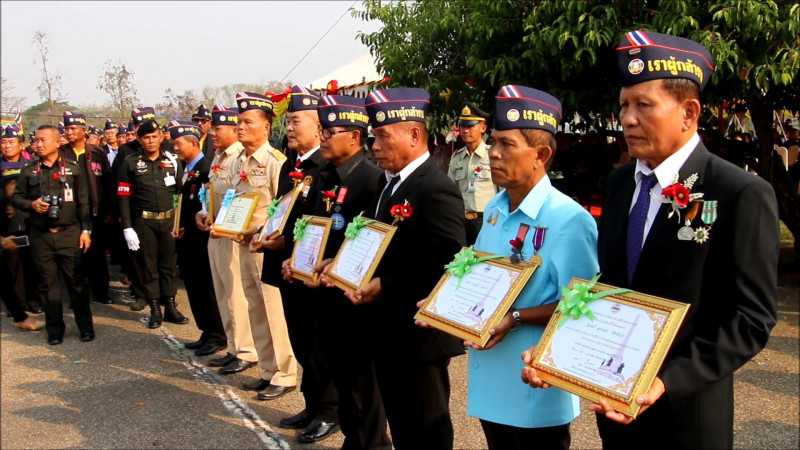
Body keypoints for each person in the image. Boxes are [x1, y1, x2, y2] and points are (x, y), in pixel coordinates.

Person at [523, 31, 779, 449]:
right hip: (614, 409)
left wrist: (664, 383)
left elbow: (749, 320)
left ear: (689, 112)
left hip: (685, 416)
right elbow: (609, 288)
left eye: (644, 105)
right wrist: (557, 355)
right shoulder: (621, 182)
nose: (627, 118)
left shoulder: (737, 192)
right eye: (624, 105)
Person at [448, 85, 598, 450]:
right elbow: (483, 272)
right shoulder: (496, 209)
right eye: (494, 142)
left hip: (532, 379)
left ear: (541, 155)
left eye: (506, 145)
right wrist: (447, 305)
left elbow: (580, 304)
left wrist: (515, 318)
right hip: (491, 373)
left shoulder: (567, 218)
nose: (493, 154)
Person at [321, 87, 467, 449]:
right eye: (374, 136)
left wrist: (386, 284)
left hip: (419, 337)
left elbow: (448, 260)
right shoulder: (389, 186)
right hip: (387, 331)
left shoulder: (435, 188)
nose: (375, 145)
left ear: (414, 135)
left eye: (384, 136)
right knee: (403, 425)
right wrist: (338, 264)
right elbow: (376, 244)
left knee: (426, 429)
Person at [290, 94, 389, 447]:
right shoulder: (325, 175)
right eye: (324, 130)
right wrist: (297, 258)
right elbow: (312, 225)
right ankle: (353, 436)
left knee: (362, 381)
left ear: (355, 137)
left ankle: (372, 441)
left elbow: (375, 243)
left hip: (351, 295)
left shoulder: (372, 180)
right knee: (338, 371)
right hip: (321, 290)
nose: (325, 136)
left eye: (332, 130)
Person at [199, 93, 297, 398]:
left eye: (247, 122)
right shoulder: (239, 160)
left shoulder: (274, 162)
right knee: (254, 307)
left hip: (264, 247)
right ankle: (267, 368)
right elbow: (232, 201)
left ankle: (285, 372)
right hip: (240, 244)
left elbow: (281, 210)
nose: (240, 127)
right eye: (239, 122)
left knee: (272, 309)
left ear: (266, 127)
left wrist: (258, 231)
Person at [254, 85, 338, 440]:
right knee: (300, 340)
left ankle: (330, 410)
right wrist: (264, 232)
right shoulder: (293, 164)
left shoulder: (326, 167)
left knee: (319, 343)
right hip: (286, 265)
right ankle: (311, 403)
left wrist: (287, 244)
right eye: (287, 121)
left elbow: (326, 227)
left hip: (309, 268)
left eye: (296, 121)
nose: (289, 128)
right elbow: (282, 212)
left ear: (319, 128)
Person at [12, 125, 95, 345]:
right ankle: (55, 329)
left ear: (58, 142)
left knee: (76, 283)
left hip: (70, 233)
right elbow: (17, 198)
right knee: (48, 286)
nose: (37, 144)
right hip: (41, 236)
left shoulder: (74, 168)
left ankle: (85, 327)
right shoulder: (29, 170)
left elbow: (84, 203)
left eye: (42, 140)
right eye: (35, 140)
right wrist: (32, 204)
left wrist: (86, 231)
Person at [194, 104, 259, 373]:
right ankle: (233, 346)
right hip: (214, 232)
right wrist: (201, 212)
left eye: (218, 128)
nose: (212, 133)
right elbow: (212, 194)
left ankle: (246, 349)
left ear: (234, 130)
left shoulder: (238, 159)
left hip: (231, 235)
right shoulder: (218, 158)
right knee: (223, 293)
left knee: (235, 294)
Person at [117, 119, 189, 328]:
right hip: (144, 221)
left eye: (154, 137)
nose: (151, 141)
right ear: (139, 140)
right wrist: (128, 228)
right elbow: (123, 197)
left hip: (168, 220)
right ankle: (155, 308)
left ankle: (170, 306)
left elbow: (179, 193)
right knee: (149, 266)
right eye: (146, 137)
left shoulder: (172, 160)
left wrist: (179, 221)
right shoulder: (130, 162)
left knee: (168, 265)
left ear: (161, 138)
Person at [168, 120, 227, 357]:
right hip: (188, 240)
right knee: (194, 288)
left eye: (179, 144)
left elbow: (207, 207)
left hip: (201, 242)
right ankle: (206, 331)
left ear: (193, 143)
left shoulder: (205, 169)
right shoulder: (187, 169)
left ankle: (217, 334)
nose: (175, 148)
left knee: (207, 289)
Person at [61, 111, 113, 305]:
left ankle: (101, 292)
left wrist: (109, 211)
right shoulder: (61, 154)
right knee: (75, 256)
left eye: (73, 128)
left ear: (84, 130)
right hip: (71, 214)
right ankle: (77, 295)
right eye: (67, 128)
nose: (69, 132)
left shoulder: (97, 154)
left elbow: (108, 184)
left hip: (96, 212)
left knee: (97, 255)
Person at [1, 124, 42, 324]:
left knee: (32, 262)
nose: (7, 146)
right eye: (4, 142)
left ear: (22, 144)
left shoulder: (33, 164)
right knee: (11, 264)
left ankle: (34, 300)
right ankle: (17, 303)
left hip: (29, 218)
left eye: (11, 142)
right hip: (7, 222)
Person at [448, 102, 499, 245]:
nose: (465, 130)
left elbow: (503, 192)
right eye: (462, 126)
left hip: (488, 219)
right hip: (463, 220)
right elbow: (451, 192)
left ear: (483, 128)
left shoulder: (492, 155)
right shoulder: (456, 158)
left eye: (470, 126)